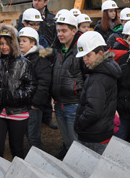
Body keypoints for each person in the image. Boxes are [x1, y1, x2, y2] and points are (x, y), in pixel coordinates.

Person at [0, 25, 36, 159]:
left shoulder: (25, 63)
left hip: (18, 112)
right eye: (1, 43)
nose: (4, 47)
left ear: (14, 43)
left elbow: (31, 86)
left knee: (17, 148)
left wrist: (16, 96)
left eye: (7, 43)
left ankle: (19, 177)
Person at [74, 31, 122, 154]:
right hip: (102, 131)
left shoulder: (97, 78)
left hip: (93, 135)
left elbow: (93, 111)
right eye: (83, 56)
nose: (84, 59)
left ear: (100, 53)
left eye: (88, 55)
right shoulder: (106, 69)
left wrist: (79, 124)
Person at [51, 11, 86, 158]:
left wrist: (78, 91)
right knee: (66, 141)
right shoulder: (57, 49)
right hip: (59, 103)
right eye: (58, 31)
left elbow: (87, 76)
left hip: (74, 103)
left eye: (64, 31)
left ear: (74, 31)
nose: (60, 34)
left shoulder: (81, 50)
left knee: (75, 143)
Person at [19, 27, 53, 150]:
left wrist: (35, 102)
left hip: (33, 105)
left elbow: (44, 82)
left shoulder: (39, 59)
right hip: (23, 103)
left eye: (24, 40)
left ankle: (38, 161)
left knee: (33, 136)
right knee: (27, 133)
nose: (21, 43)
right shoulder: (20, 58)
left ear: (33, 43)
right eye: (20, 40)